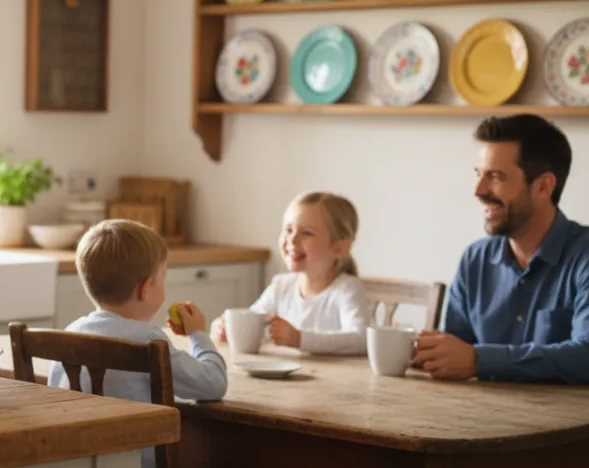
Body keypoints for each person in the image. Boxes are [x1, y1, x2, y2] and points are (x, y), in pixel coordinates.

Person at [414, 114, 589, 385]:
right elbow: (456, 354)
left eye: (495, 176)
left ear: (543, 186)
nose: (478, 190)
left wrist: (480, 361)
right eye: (478, 174)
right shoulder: (475, 259)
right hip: (489, 422)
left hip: (577, 425)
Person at [49, 220, 227, 468]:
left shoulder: (69, 334)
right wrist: (198, 334)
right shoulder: (148, 340)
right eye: (163, 275)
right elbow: (213, 384)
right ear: (145, 289)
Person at [211, 192, 369, 354]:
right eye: (288, 230)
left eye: (307, 233)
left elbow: (361, 339)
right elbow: (252, 319)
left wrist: (300, 339)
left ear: (339, 248)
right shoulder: (281, 285)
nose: (292, 240)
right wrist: (225, 328)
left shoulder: (347, 290)